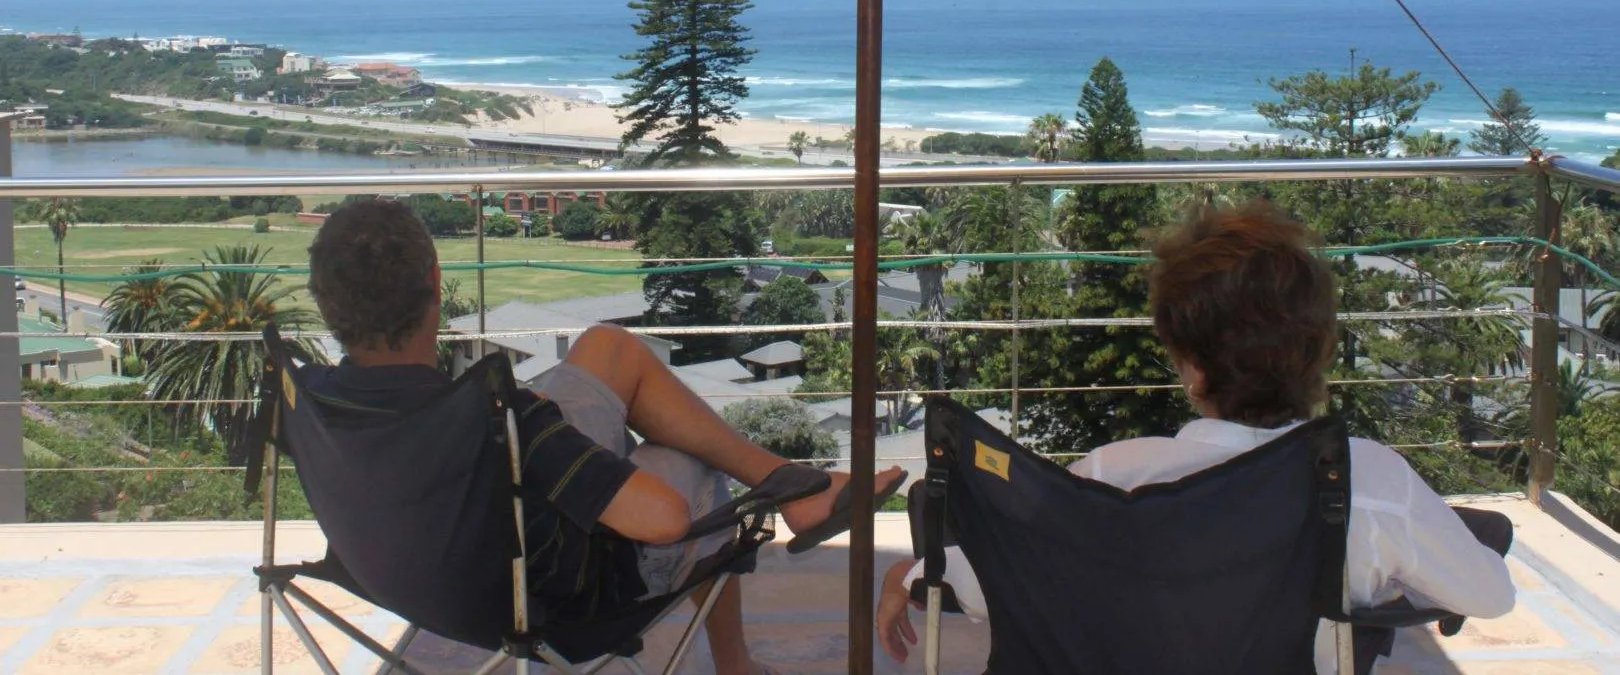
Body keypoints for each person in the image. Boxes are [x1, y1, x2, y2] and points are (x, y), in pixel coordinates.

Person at [876, 202, 1515, 674]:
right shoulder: (1365, 480)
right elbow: (1488, 596)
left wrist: (909, 575)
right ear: (1317, 352)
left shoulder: (1107, 476)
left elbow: (999, 587)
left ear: (1191, 366)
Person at [304, 200, 903, 675]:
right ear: (436, 281)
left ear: (327, 302)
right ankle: (738, 661)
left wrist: (546, 429)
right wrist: (564, 445)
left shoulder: (312, 399)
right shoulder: (497, 420)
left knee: (609, 346)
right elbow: (664, 521)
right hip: (545, 599)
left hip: (417, 577)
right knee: (687, 459)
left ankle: (796, 491)